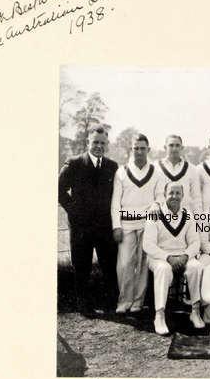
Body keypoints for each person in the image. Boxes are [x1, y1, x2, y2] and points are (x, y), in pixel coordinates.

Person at [58, 127, 118, 316]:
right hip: (81, 228)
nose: (99, 146)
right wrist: (73, 210)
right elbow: (59, 190)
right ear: (88, 143)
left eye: (102, 143)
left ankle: (110, 304)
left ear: (106, 144)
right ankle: (83, 305)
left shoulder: (112, 166)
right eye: (95, 142)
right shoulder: (74, 163)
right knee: (81, 266)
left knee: (108, 265)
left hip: (104, 227)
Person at [110, 133, 165, 314]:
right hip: (126, 224)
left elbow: (160, 196)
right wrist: (116, 226)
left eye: (142, 148)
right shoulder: (122, 171)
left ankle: (138, 302)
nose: (139, 152)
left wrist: (157, 204)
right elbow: (116, 201)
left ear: (148, 150)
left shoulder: (156, 172)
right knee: (125, 264)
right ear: (131, 150)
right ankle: (124, 300)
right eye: (136, 148)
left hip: (147, 224)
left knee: (142, 264)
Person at [142, 183, 204, 335]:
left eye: (178, 193)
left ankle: (195, 311)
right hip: (159, 257)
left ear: (183, 196)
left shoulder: (188, 215)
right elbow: (148, 244)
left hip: (182, 256)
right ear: (164, 194)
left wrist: (185, 256)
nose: (174, 196)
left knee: (196, 267)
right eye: (171, 193)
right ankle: (160, 315)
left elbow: (195, 242)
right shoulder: (155, 214)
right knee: (163, 269)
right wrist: (168, 257)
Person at [157, 134, 201, 215]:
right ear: (165, 147)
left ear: (182, 148)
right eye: (171, 145)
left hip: (185, 217)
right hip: (162, 217)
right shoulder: (156, 167)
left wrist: (199, 221)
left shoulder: (192, 169)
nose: (174, 148)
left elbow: (196, 198)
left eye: (177, 145)